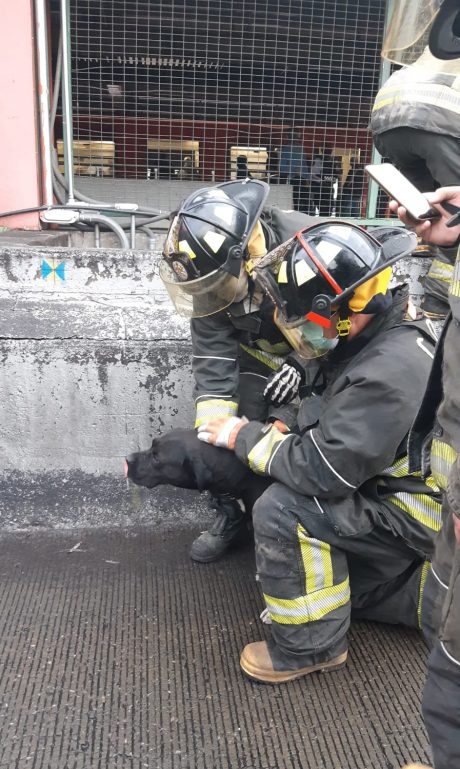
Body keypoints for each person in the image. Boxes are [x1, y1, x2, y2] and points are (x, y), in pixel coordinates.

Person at [196, 220, 441, 684]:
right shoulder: (380, 337)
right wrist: (286, 424)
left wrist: (243, 437)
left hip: (414, 513)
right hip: (407, 490)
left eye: (303, 315)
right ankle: (407, 590)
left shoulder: (390, 368)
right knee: (332, 578)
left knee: (283, 509)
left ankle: (309, 648)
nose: (293, 325)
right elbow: (333, 409)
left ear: (344, 308)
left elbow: (322, 471)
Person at [160, 179, 317, 563]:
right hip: (260, 367)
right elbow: (214, 367)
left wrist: (305, 365)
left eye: (217, 285)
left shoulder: (308, 247)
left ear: (245, 255)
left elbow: (347, 330)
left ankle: (301, 524)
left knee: (312, 431)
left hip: (321, 362)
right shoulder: (206, 272)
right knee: (219, 427)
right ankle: (231, 512)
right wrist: (213, 439)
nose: (210, 295)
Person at [371, 26, 460, 322]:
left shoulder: (441, 44)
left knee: (426, 206)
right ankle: (437, 305)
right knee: (455, 216)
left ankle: (420, 243)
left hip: (387, 120)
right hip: (441, 122)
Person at [278, 128, 310, 212]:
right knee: (302, 202)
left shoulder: (286, 149)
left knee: (294, 202)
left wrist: (292, 170)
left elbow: (282, 168)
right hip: (300, 178)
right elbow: (304, 166)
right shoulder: (300, 148)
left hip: (293, 179)